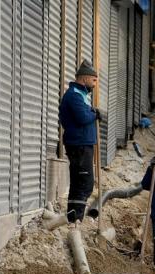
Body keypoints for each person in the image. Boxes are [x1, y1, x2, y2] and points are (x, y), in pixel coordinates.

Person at [59, 60, 104, 223]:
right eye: (94, 81)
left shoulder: (81, 95)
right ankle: (76, 219)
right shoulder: (74, 95)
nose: (94, 84)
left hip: (82, 144)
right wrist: (95, 115)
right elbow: (83, 117)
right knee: (84, 182)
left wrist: (92, 111)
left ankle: (73, 218)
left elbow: (85, 113)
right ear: (85, 79)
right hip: (79, 144)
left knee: (80, 182)